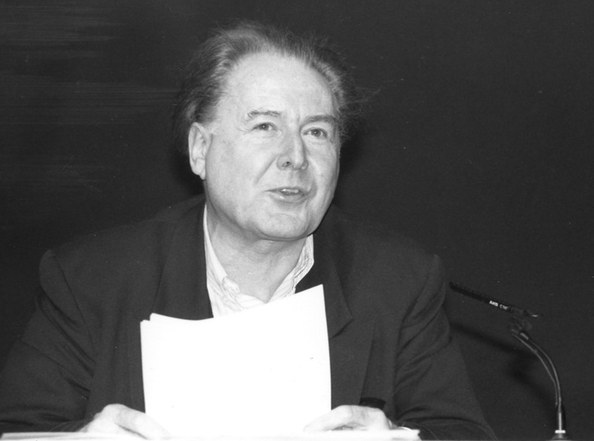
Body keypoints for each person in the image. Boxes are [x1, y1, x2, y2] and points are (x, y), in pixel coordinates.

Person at [0, 21, 496, 440]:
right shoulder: (91, 280)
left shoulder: (398, 281)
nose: (295, 157)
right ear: (200, 149)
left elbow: (461, 432)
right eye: (265, 127)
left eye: (316, 132)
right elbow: (17, 428)